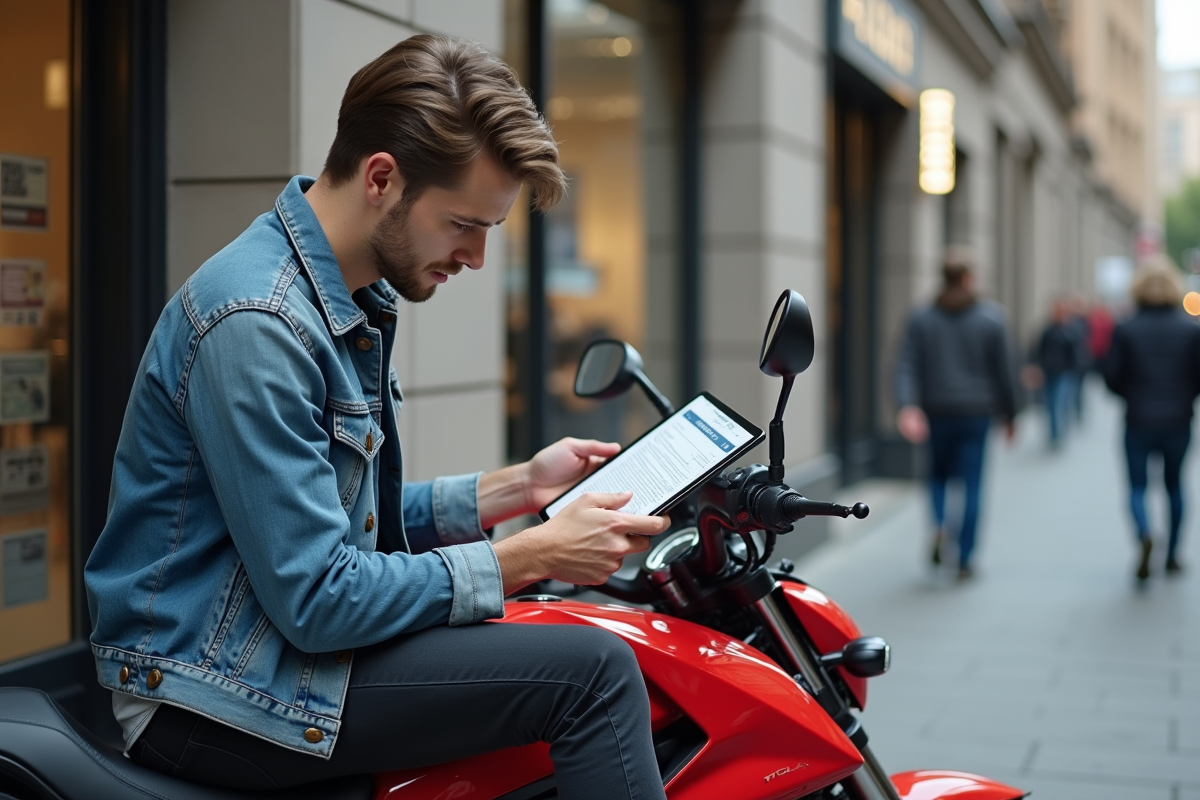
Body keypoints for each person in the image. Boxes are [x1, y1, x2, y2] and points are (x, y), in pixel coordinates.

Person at [83, 36, 670, 798]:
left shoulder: (341, 298)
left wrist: (520, 487)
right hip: (206, 693)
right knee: (593, 673)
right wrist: (530, 556)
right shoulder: (259, 321)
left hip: (265, 647)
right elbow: (322, 598)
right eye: (465, 224)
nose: (476, 258)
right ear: (382, 178)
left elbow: (338, 529)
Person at [895, 251, 1019, 580]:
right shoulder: (992, 318)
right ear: (968, 278)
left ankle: (939, 526)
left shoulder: (922, 317)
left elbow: (906, 364)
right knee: (973, 484)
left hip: (936, 411)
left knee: (936, 477)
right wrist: (1011, 415)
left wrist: (907, 405)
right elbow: (1005, 371)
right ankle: (965, 558)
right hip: (976, 413)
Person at [1102, 258, 1200, 582]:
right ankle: (1172, 553)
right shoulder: (1191, 329)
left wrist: (1131, 393)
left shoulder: (1126, 328)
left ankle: (1144, 533)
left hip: (1139, 418)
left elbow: (1112, 376)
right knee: (1174, 486)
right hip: (1178, 419)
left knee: (1137, 486)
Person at [1026, 298, 1087, 448]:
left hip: (1065, 372)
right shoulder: (1047, 330)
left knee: (1062, 402)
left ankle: (1060, 432)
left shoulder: (1071, 331)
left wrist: (1078, 370)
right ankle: (1054, 434)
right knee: (1050, 404)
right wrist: (1034, 367)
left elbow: (1078, 353)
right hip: (1048, 372)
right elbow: (1036, 350)